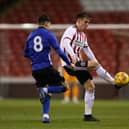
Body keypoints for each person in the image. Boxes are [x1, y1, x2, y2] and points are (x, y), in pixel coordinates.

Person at [60, 12, 120, 121]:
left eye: (88, 23)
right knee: (95, 65)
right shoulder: (71, 30)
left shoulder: (83, 36)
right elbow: (65, 43)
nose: (87, 25)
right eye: (85, 22)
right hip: (70, 64)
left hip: (77, 65)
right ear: (78, 21)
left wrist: (96, 61)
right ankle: (113, 82)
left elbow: (87, 50)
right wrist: (73, 55)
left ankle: (87, 115)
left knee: (91, 87)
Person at [24, 14, 73, 123]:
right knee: (65, 86)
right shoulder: (48, 35)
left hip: (35, 70)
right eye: (49, 23)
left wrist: (36, 56)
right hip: (46, 67)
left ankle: (45, 116)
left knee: (46, 94)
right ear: (46, 23)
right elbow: (59, 51)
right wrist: (69, 62)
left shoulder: (31, 35)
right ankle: (45, 90)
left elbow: (26, 54)